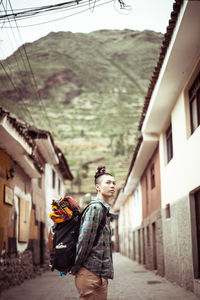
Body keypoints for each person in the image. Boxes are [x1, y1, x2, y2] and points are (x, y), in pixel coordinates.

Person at [72, 166, 116, 300]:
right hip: (89, 273)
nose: (112, 186)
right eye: (108, 183)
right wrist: (76, 267)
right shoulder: (95, 208)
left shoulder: (103, 209)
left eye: (114, 183)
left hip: (100, 275)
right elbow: (84, 241)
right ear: (98, 187)